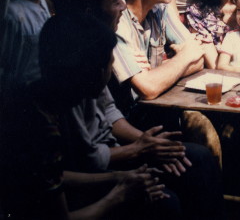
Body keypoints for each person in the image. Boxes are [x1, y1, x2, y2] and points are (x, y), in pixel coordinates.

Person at [51, 0, 224, 220]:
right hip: (96, 166)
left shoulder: (100, 38)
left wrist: (145, 142)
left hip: (115, 149)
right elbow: (86, 155)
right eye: (113, 1)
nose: (122, 5)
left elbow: (108, 110)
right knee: (166, 200)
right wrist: (138, 151)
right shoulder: (74, 58)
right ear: (88, 9)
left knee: (197, 158)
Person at [0, 13, 169, 219]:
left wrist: (119, 177)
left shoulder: (37, 100)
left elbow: (56, 176)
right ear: (98, 72)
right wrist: (119, 195)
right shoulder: (44, 129)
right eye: (110, 63)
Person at [111, 0, 212, 107]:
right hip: (124, 121)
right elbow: (148, 88)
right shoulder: (115, 21)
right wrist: (183, 57)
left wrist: (157, 70)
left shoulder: (159, 8)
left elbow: (199, 58)